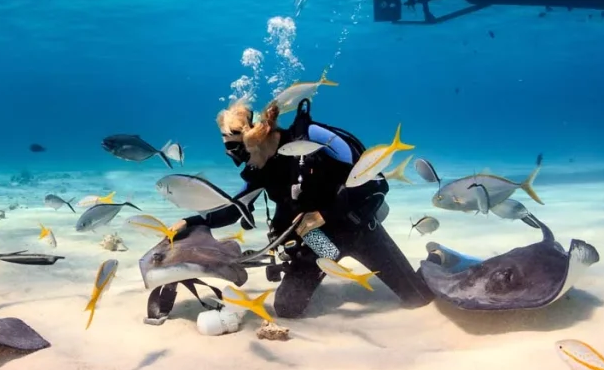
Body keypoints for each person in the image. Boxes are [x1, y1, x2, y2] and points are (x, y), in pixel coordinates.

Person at [169, 98, 434, 319]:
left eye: (245, 156)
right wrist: (190, 222)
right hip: (318, 242)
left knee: (418, 297)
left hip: (359, 230)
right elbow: (233, 210)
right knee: (286, 308)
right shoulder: (261, 167)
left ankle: (435, 263)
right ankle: (314, 269)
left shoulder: (315, 138)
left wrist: (324, 214)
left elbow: (375, 185)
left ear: (256, 141)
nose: (246, 167)